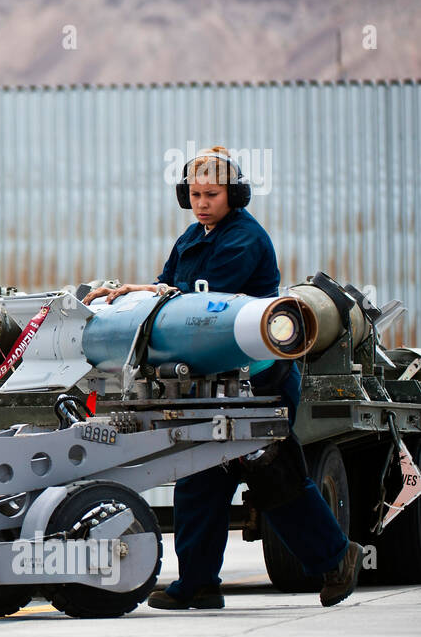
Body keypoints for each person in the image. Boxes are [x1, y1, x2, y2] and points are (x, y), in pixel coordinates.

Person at [83, 146, 365, 609]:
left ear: (234, 194)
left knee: (273, 474)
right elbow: (167, 284)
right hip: (214, 378)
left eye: (211, 194)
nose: (201, 202)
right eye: (194, 194)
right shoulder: (194, 236)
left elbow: (206, 301)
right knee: (199, 476)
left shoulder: (244, 239)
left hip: (259, 380)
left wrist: (150, 291)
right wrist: (134, 292)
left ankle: (337, 558)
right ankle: (198, 583)